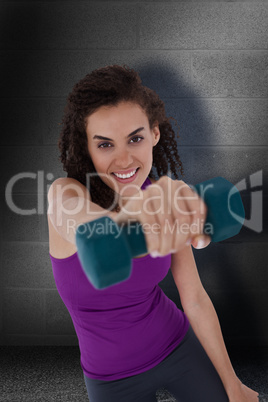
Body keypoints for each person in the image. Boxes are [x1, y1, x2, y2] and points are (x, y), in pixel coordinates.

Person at [47, 65, 259, 401]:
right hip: (111, 377)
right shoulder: (66, 194)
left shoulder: (162, 201)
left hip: (176, 344)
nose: (123, 159)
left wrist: (233, 385)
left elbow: (194, 298)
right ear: (86, 147)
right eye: (104, 145)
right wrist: (131, 215)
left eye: (135, 138)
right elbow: (80, 221)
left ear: (154, 134)